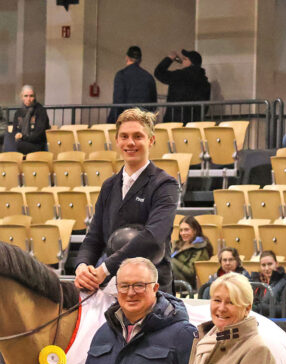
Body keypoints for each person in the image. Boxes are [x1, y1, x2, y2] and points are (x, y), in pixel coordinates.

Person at [74, 108, 178, 293]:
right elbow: (94, 237)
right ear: (117, 141)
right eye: (124, 136)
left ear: (151, 140)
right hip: (112, 288)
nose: (130, 143)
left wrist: (104, 269)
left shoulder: (165, 184)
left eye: (138, 136)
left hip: (151, 291)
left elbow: (151, 239)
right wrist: (82, 266)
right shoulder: (109, 186)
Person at [154, 49, 211, 123]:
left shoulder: (180, 75)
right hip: (195, 122)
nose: (183, 61)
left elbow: (159, 72)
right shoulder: (204, 82)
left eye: (185, 59)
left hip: (175, 120)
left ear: (191, 63)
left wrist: (169, 58)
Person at [107, 46, 158, 124]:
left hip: (126, 118)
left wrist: (114, 121)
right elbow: (154, 101)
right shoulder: (148, 77)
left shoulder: (121, 75)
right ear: (140, 60)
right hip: (144, 118)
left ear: (127, 58)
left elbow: (118, 100)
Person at [171, 215, 213, 289]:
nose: (183, 233)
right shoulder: (177, 244)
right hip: (172, 279)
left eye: (186, 230)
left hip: (187, 284)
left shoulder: (201, 247)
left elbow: (192, 273)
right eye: (181, 230)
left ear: (195, 230)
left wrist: (172, 260)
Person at [8, 85, 50, 155]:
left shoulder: (40, 111)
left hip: (37, 144)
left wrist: (23, 137)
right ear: (21, 97)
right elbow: (15, 131)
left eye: (31, 96)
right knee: (9, 141)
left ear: (35, 97)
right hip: (22, 142)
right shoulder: (18, 112)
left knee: (17, 146)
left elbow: (39, 134)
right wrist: (17, 135)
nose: (28, 99)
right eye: (26, 96)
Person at [253, 251, 286, 317]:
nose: (267, 268)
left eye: (270, 264)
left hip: (277, 322)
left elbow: (285, 310)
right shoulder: (256, 280)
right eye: (263, 265)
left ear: (276, 264)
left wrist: (260, 307)